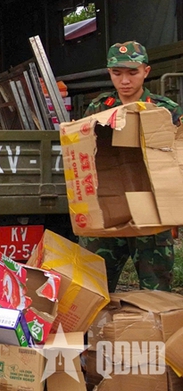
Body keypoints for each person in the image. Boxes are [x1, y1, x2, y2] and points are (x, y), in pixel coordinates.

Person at [79, 40, 181, 292]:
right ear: (109, 73)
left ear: (146, 71)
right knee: (93, 287)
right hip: (106, 209)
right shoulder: (98, 108)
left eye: (132, 72)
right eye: (117, 73)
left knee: (157, 291)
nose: (124, 80)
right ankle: (97, 333)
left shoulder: (165, 110)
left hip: (152, 211)